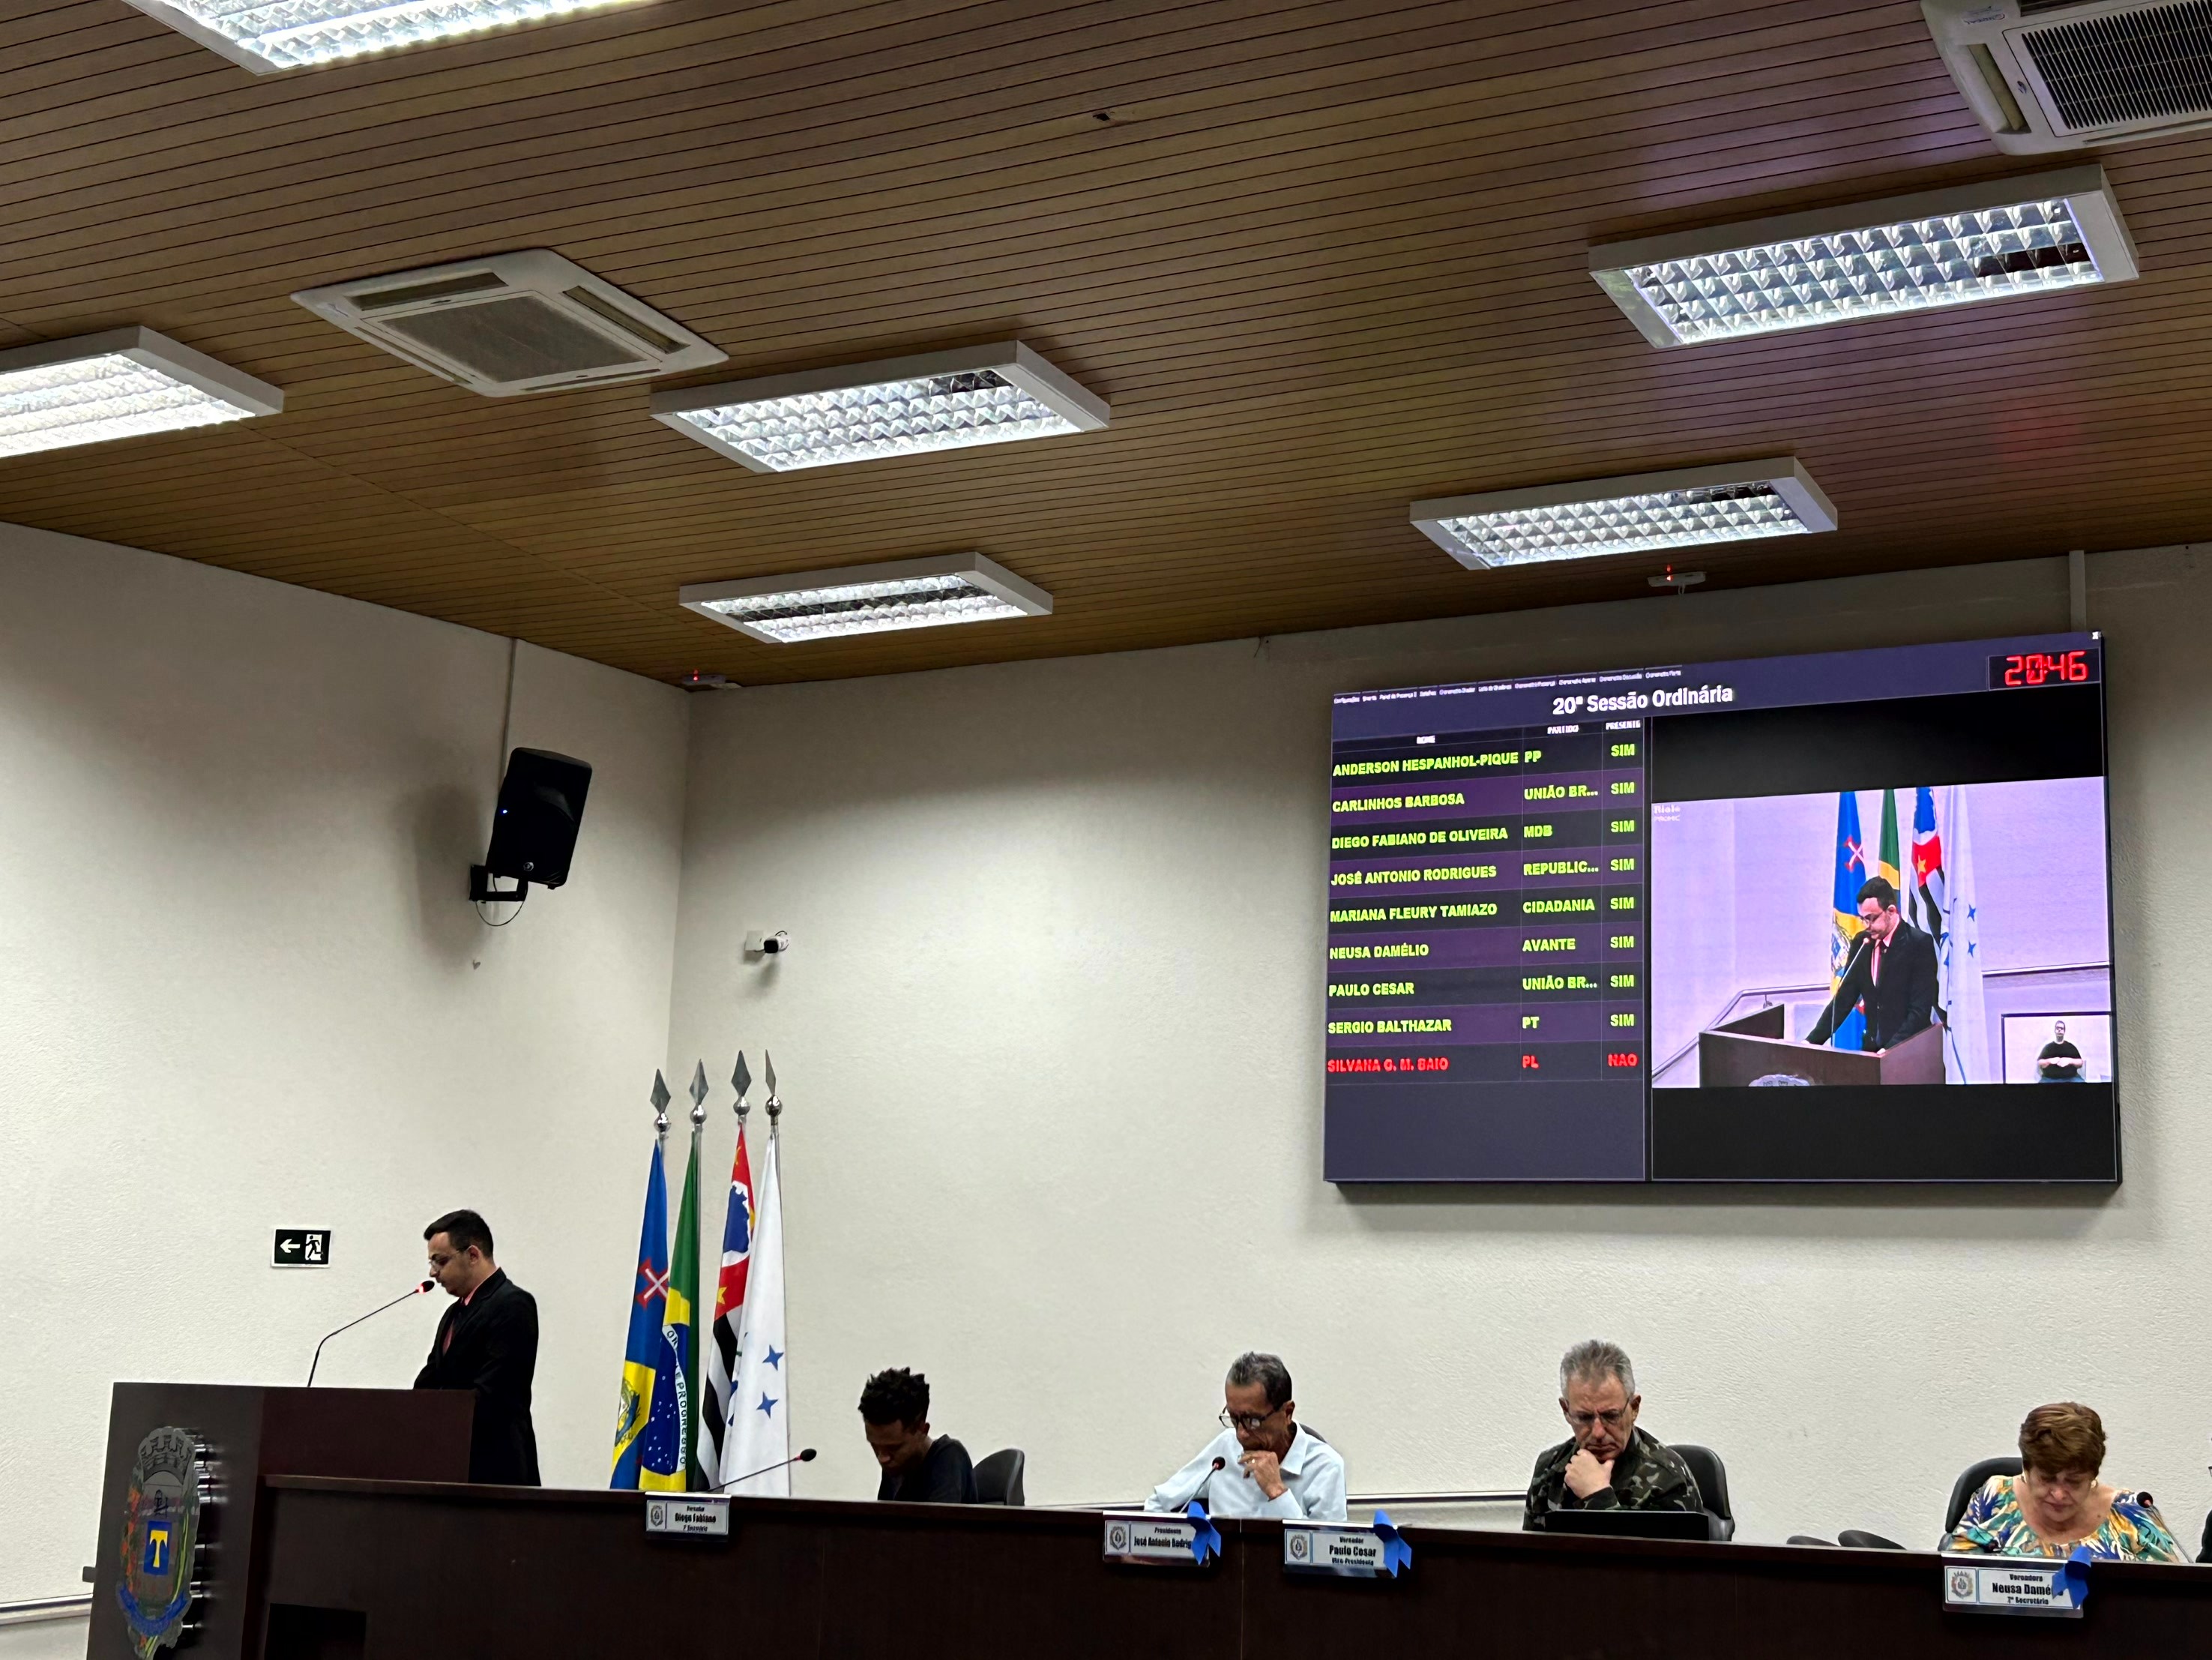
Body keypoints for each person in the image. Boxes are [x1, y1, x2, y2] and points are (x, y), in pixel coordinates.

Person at [1947, 1402, 2184, 1562]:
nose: (2059, 1494)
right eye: (2047, 1479)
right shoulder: (1996, 1497)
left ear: (2092, 1476)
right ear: (2026, 1469)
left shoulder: (2131, 1514)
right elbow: (1954, 1579)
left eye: (2074, 1482)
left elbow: (2171, 1600)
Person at [413, 1209, 540, 1485]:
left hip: (495, 1470)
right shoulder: (453, 1313)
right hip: (450, 1465)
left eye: (440, 1261)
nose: (433, 1273)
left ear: (472, 1255)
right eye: (431, 1263)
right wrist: (409, 1415)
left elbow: (495, 1393)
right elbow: (429, 1380)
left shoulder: (513, 1304)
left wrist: (436, 1417)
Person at [1145, 1352, 1345, 1521]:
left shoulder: (1325, 1467)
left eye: (1253, 1421)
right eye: (1234, 1419)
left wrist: (1277, 1492)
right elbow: (1157, 1505)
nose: (1241, 1434)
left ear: (1287, 1413)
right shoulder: (1224, 1451)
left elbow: (1326, 1551)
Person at [1524, 1339, 1700, 1529]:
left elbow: (1650, 1549)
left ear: (1634, 1408)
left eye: (1611, 1416)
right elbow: (1530, 1548)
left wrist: (1597, 1497)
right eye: (1584, 1418)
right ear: (1566, 1411)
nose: (1598, 1433)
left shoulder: (1668, 1479)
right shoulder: (1549, 1469)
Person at [1806, 876, 1939, 1052]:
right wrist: (1811, 1042)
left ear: (1891, 911)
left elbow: (1919, 1011)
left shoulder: (1918, 944)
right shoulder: (1862, 943)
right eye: (1863, 919)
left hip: (1908, 1051)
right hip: (1871, 1051)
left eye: (1871, 918)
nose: (1867, 925)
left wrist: (1889, 1050)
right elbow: (1844, 998)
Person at [860, 1368, 977, 1503]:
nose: (882, 1458)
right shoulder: (895, 1465)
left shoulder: (949, 1457)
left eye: (894, 1448)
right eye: (875, 1446)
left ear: (922, 1430)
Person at [2037, 1019, 2085, 1083]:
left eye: (2061, 1028)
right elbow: (2040, 1062)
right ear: (2055, 1030)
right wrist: (2050, 1061)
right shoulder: (2048, 1047)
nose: (2059, 1030)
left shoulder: (2071, 1047)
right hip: (2050, 1079)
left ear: (2064, 1031)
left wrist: (2069, 1061)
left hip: (2071, 1078)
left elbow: (2080, 1062)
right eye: (2057, 1028)